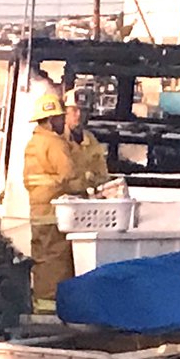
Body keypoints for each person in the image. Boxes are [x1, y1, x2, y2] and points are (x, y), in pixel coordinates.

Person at [23, 88, 82, 313]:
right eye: (59, 117)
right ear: (50, 120)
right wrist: (88, 188)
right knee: (57, 257)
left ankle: (40, 301)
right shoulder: (54, 144)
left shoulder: (34, 143)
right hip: (53, 209)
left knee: (41, 256)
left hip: (37, 210)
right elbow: (69, 176)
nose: (62, 121)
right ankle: (53, 304)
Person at [64, 88, 110, 191]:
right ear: (65, 112)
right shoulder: (56, 139)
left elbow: (102, 174)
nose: (79, 115)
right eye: (74, 110)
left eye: (84, 110)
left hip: (85, 200)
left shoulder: (91, 140)